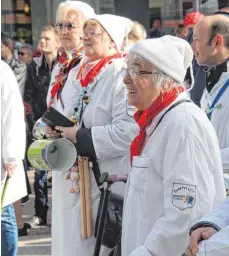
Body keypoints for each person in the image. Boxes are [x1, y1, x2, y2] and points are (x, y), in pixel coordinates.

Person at [121, 36, 226, 256]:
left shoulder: (182, 124)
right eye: (127, 69)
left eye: (137, 71)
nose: (125, 79)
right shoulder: (159, 120)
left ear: (165, 80)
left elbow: (186, 214)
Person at [54, 14, 138, 256]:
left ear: (112, 41)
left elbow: (128, 130)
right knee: (70, 244)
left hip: (104, 182)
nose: (86, 37)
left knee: (97, 245)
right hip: (72, 178)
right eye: (86, 31)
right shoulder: (76, 72)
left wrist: (80, 136)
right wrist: (54, 128)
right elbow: (63, 111)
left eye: (94, 33)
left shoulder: (121, 74)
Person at [44, 1, 95, 256]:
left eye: (70, 25)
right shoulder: (61, 65)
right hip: (62, 155)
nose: (63, 31)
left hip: (82, 161)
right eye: (60, 25)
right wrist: (48, 128)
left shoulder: (87, 63)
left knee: (79, 230)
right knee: (64, 225)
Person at [184, 14, 229, 256]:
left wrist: (200, 158)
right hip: (212, 194)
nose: (192, 46)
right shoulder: (208, 77)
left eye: (197, 40)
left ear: (217, 42)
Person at [23, 25, 60, 229]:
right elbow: (28, 98)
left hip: (62, 126)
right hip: (40, 125)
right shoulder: (34, 66)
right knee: (39, 173)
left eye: (47, 38)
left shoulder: (66, 66)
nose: (43, 41)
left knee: (63, 174)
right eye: (41, 37)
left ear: (57, 43)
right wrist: (35, 125)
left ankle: (63, 216)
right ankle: (40, 214)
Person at [1, 60, 27, 256]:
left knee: (3, 211)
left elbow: (12, 113)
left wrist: (10, 154)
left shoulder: (3, 71)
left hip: (2, 154)